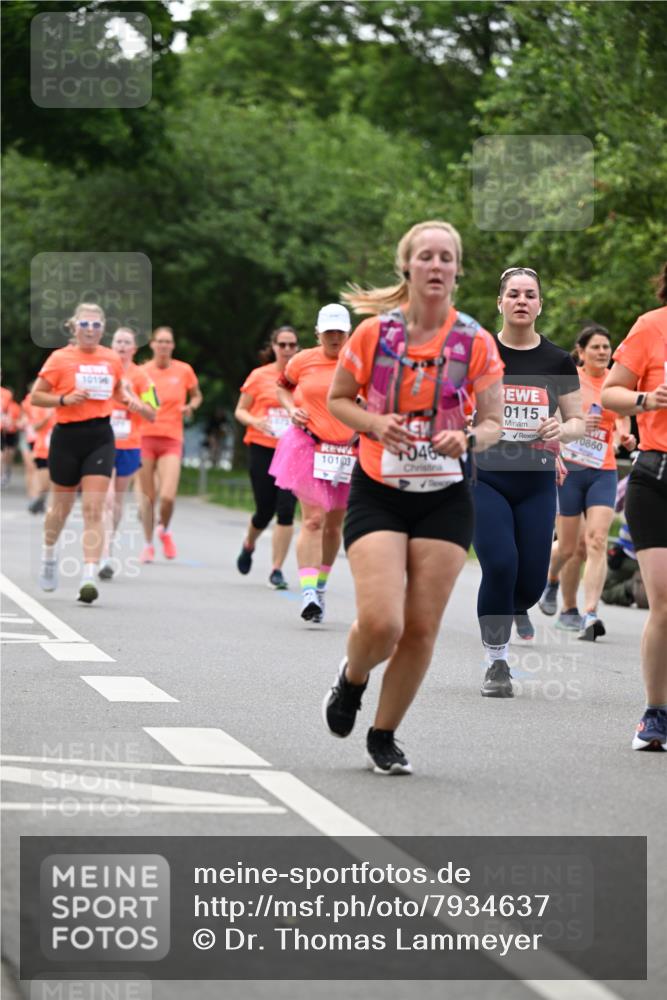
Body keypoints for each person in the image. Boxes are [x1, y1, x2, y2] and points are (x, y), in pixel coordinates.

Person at [323, 220, 504, 774]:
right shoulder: (375, 335)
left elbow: (494, 422)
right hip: (379, 490)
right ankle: (352, 680)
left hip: (446, 494)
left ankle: (384, 733)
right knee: (383, 623)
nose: (436, 265)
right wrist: (376, 423)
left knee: (421, 627)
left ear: (457, 270)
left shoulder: (474, 340)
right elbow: (339, 401)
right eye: (425, 256)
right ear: (407, 266)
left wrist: (468, 436)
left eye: (446, 257)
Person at [471, 267, 584, 696]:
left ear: (540, 304)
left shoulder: (556, 360)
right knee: (500, 564)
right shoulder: (481, 354)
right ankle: (497, 663)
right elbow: (453, 402)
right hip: (487, 475)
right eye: (513, 294)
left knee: (531, 581)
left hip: (535, 479)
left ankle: (515, 606)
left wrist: (563, 431)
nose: (521, 300)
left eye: (530, 294)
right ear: (500, 302)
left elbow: (576, 420)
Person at [30, 303, 142, 603]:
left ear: (103, 329)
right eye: (85, 324)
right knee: (61, 508)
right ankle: (49, 555)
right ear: (74, 326)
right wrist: (64, 399)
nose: (90, 330)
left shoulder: (110, 358)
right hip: (67, 436)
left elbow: (117, 390)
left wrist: (128, 399)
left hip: (100, 437)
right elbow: (37, 396)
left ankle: (88, 576)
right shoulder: (60, 358)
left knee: (94, 508)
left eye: (95, 325)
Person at [601, 262, 667, 750]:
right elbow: (610, 393)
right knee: (664, 601)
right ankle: (655, 713)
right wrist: (646, 398)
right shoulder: (651, 326)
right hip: (657, 476)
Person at [538, 324, 636, 639]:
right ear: (581, 351)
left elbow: (621, 416)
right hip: (571, 469)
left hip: (603, 469)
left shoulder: (614, 381)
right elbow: (553, 417)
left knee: (595, 540)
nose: (603, 352)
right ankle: (551, 581)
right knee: (569, 547)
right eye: (596, 347)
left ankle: (590, 614)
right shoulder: (571, 380)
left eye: (607, 347)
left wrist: (624, 435)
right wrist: (576, 423)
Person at [270, 304, 355, 622]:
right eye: (329, 332)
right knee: (313, 520)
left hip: (347, 452)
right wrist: (291, 408)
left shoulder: (359, 361)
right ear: (318, 333)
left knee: (334, 526)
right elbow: (282, 386)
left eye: (340, 332)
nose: (334, 337)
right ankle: (307, 592)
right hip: (309, 444)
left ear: (349, 332)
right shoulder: (302, 360)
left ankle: (320, 585)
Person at [234, 326, 299, 589]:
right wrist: (255, 421)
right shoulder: (259, 376)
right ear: (273, 346)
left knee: (286, 510)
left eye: (291, 345)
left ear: (297, 347)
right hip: (262, 447)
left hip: (293, 451)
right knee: (264, 510)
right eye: (281, 344)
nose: (286, 350)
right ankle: (249, 544)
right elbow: (240, 410)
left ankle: (277, 569)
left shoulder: (303, 376)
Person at [98, 327, 158, 580]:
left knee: (118, 500)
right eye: (118, 342)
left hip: (129, 443)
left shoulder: (142, 377)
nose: (121, 346)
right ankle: (102, 556)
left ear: (134, 349)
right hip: (102, 440)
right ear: (111, 345)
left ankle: (107, 546)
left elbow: (153, 412)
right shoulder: (102, 368)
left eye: (127, 343)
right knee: (108, 498)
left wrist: (135, 400)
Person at [139, 326, 202, 562]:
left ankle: (163, 530)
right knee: (149, 497)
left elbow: (197, 395)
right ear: (153, 344)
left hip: (171, 438)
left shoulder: (184, 370)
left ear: (173, 346)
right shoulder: (142, 372)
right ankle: (147, 544)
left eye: (168, 342)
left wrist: (191, 407)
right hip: (145, 437)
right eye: (160, 341)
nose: (164, 345)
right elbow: (130, 397)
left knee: (168, 497)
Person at [1, 385, 21, 487]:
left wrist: (14, 423)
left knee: (10, 453)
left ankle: (7, 470)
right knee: (4, 454)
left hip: (12, 433)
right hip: (4, 432)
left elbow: (19, 420)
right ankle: (4, 472)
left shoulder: (16, 407)